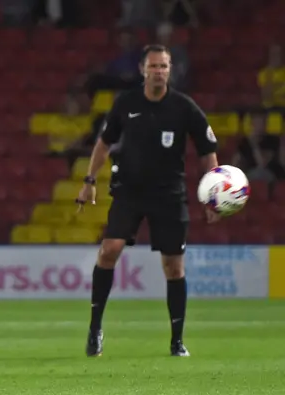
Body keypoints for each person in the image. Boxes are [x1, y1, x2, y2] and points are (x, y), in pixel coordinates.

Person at [76, 45, 220, 358]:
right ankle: (95, 328)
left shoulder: (184, 107)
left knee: (173, 265)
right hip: (129, 191)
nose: (158, 71)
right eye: (153, 66)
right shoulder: (126, 103)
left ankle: (177, 340)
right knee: (109, 250)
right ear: (143, 69)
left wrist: (212, 195)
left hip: (169, 195)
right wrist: (89, 181)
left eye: (164, 66)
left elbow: (208, 151)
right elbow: (103, 143)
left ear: (171, 70)